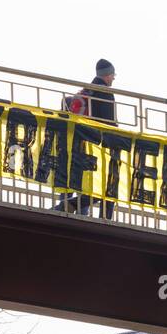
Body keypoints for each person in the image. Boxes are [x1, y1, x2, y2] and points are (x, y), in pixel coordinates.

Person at [55, 58, 118, 217]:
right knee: (109, 183)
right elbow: (108, 123)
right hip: (96, 146)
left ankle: (65, 206)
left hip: (75, 144)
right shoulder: (105, 93)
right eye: (113, 75)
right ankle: (104, 219)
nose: (114, 78)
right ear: (107, 75)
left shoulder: (84, 91)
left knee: (73, 179)